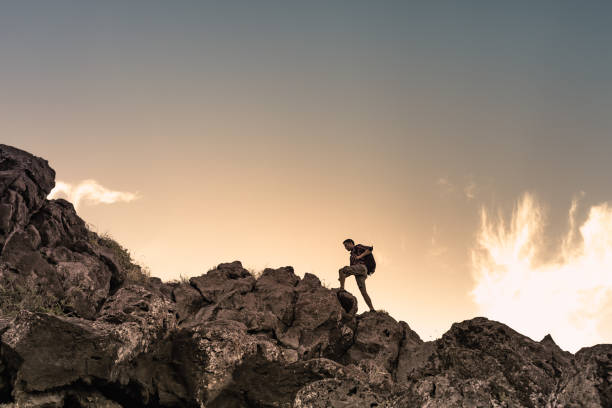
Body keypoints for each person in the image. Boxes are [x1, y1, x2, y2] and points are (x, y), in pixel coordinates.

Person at [338, 238, 375, 312]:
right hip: (359, 273)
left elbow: (370, 249)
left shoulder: (357, 247)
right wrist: (343, 277)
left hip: (362, 267)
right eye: (345, 247)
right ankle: (372, 309)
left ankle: (342, 289)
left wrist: (360, 256)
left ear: (351, 243)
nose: (346, 248)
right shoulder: (351, 257)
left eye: (346, 245)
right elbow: (351, 270)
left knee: (342, 270)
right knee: (363, 292)